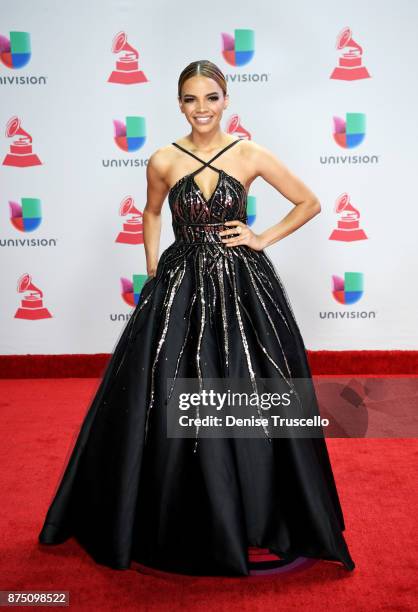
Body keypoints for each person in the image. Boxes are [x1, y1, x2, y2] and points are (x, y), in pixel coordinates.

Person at [38, 59, 355, 577]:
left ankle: (259, 508)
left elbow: (310, 202)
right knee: (167, 388)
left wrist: (260, 237)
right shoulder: (163, 159)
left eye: (211, 97)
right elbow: (152, 212)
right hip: (181, 284)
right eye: (190, 99)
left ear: (226, 100)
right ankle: (180, 512)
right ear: (179, 104)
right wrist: (150, 269)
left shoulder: (250, 153)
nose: (201, 108)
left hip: (242, 285)